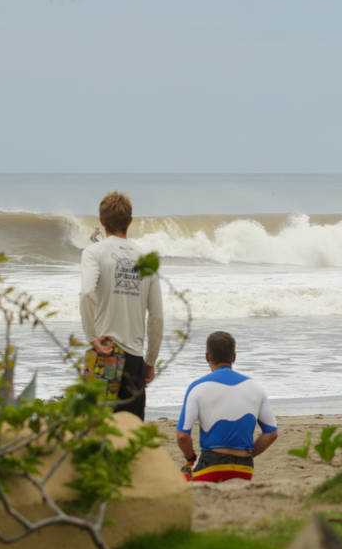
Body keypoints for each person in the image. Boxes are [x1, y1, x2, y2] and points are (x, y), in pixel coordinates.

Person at [79, 191, 164, 420]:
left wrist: (91, 337)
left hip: (104, 351)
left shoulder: (94, 252)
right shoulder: (146, 258)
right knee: (130, 436)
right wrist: (150, 361)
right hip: (134, 358)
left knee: (97, 433)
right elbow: (156, 316)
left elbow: (87, 292)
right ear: (130, 221)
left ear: (101, 221)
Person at [176, 331, 278, 482]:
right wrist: (249, 454)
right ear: (234, 357)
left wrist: (191, 458)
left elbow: (182, 436)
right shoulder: (256, 387)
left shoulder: (197, 387)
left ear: (207, 357)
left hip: (212, 466)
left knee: (180, 477)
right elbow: (271, 433)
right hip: (245, 469)